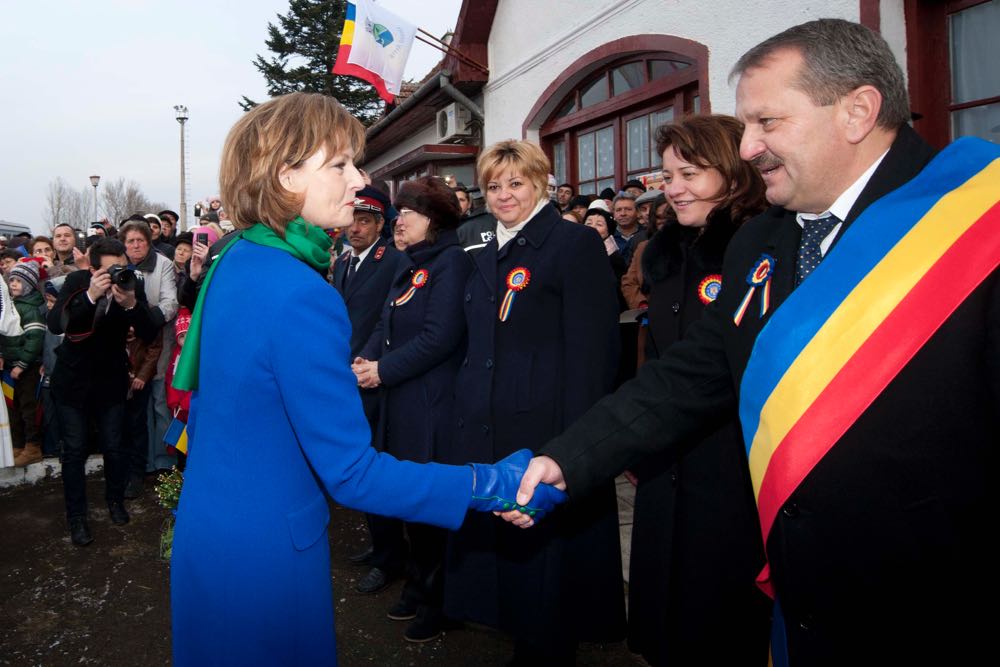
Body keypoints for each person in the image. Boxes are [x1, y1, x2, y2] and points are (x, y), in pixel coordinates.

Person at [510, 18, 1000, 665]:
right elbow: (688, 376)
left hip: (935, 610)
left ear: (857, 111)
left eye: (768, 122)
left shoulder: (973, 228)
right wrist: (568, 458)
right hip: (799, 603)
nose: (747, 148)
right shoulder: (761, 242)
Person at [169, 92, 565, 666]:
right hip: (265, 560)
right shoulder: (300, 291)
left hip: (211, 535)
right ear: (285, 174)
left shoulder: (236, 259)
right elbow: (352, 473)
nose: (359, 180)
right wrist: (487, 484)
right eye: (340, 165)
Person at [445, 140, 625, 664]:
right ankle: (524, 637)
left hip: (546, 425)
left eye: (515, 184)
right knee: (505, 552)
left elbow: (594, 353)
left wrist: (575, 445)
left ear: (541, 182)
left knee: (549, 563)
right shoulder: (482, 248)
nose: (503, 196)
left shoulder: (572, 245)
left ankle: (547, 648)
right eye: (493, 186)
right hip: (487, 422)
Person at [624, 114, 770, 666]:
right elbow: (658, 356)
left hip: (732, 457)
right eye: (666, 175)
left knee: (719, 599)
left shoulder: (760, 251)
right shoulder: (667, 253)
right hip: (667, 452)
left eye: (690, 173)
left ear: (732, 174)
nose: (674, 188)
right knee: (665, 588)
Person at [353, 176, 473, 642]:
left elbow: (439, 337)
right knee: (408, 501)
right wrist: (362, 360)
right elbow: (384, 322)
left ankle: (440, 600)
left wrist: (382, 370)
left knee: (430, 506)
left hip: (431, 405)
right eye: (399, 213)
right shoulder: (409, 265)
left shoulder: (450, 264)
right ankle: (420, 586)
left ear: (435, 222)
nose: (398, 221)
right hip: (400, 402)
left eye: (409, 214)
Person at [48, 238, 158, 545]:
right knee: (74, 450)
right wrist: (91, 295)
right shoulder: (77, 281)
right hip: (72, 384)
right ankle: (77, 517)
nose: (118, 274)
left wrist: (131, 305)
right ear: (94, 269)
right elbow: (56, 323)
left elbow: (149, 332)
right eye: (110, 270)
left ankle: (114, 501)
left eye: (121, 266)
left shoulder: (130, 283)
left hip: (110, 383)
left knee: (113, 445)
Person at [330, 186, 409, 594]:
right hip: (349, 378)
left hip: (373, 377)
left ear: (381, 224)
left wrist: (365, 361)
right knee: (359, 462)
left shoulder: (394, 261)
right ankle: (379, 543)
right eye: (352, 219)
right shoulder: (344, 262)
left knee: (376, 465)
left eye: (365, 221)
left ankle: (391, 556)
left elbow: (386, 319)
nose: (355, 228)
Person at [120, 218, 179, 482]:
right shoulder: (118, 266)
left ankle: (165, 461)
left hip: (158, 339)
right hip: (127, 345)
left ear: (149, 242)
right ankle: (140, 462)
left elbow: (170, 302)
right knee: (136, 406)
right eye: (130, 241)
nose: (135, 245)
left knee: (160, 403)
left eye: (140, 240)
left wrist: (146, 323)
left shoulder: (163, 264)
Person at [2, 260, 47, 467]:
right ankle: (17, 445)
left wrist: (21, 364)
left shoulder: (31, 309)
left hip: (26, 369)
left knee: (28, 407)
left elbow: (35, 339)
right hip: (10, 368)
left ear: (29, 284)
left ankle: (33, 446)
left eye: (19, 281)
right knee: (14, 407)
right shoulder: (10, 307)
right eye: (11, 279)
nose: (13, 284)